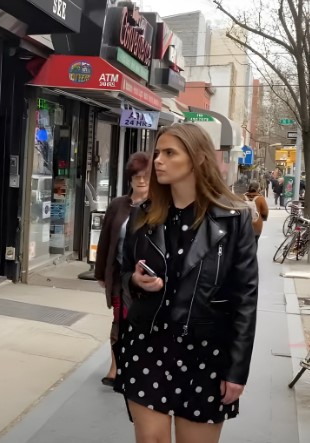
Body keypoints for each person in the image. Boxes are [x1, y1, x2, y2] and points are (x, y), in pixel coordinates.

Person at [115, 123, 258, 443]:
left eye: (169, 153)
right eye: (157, 153)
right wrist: (135, 281)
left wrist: (237, 371)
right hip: (147, 345)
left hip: (206, 353)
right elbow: (123, 273)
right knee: (151, 439)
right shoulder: (143, 215)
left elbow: (245, 299)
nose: (159, 161)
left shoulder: (233, 218)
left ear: (197, 158)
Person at [95, 151, 152, 387]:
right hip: (120, 275)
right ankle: (115, 367)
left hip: (145, 279)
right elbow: (106, 241)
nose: (140, 181)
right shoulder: (118, 205)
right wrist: (101, 274)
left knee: (139, 323)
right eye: (135, 176)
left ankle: (137, 366)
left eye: (145, 176)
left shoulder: (158, 207)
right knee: (118, 320)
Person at [243, 181, 269, 245]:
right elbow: (265, 212)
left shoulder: (242, 197)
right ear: (258, 188)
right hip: (256, 226)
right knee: (254, 243)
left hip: (243, 226)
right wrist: (263, 218)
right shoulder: (260, 198)